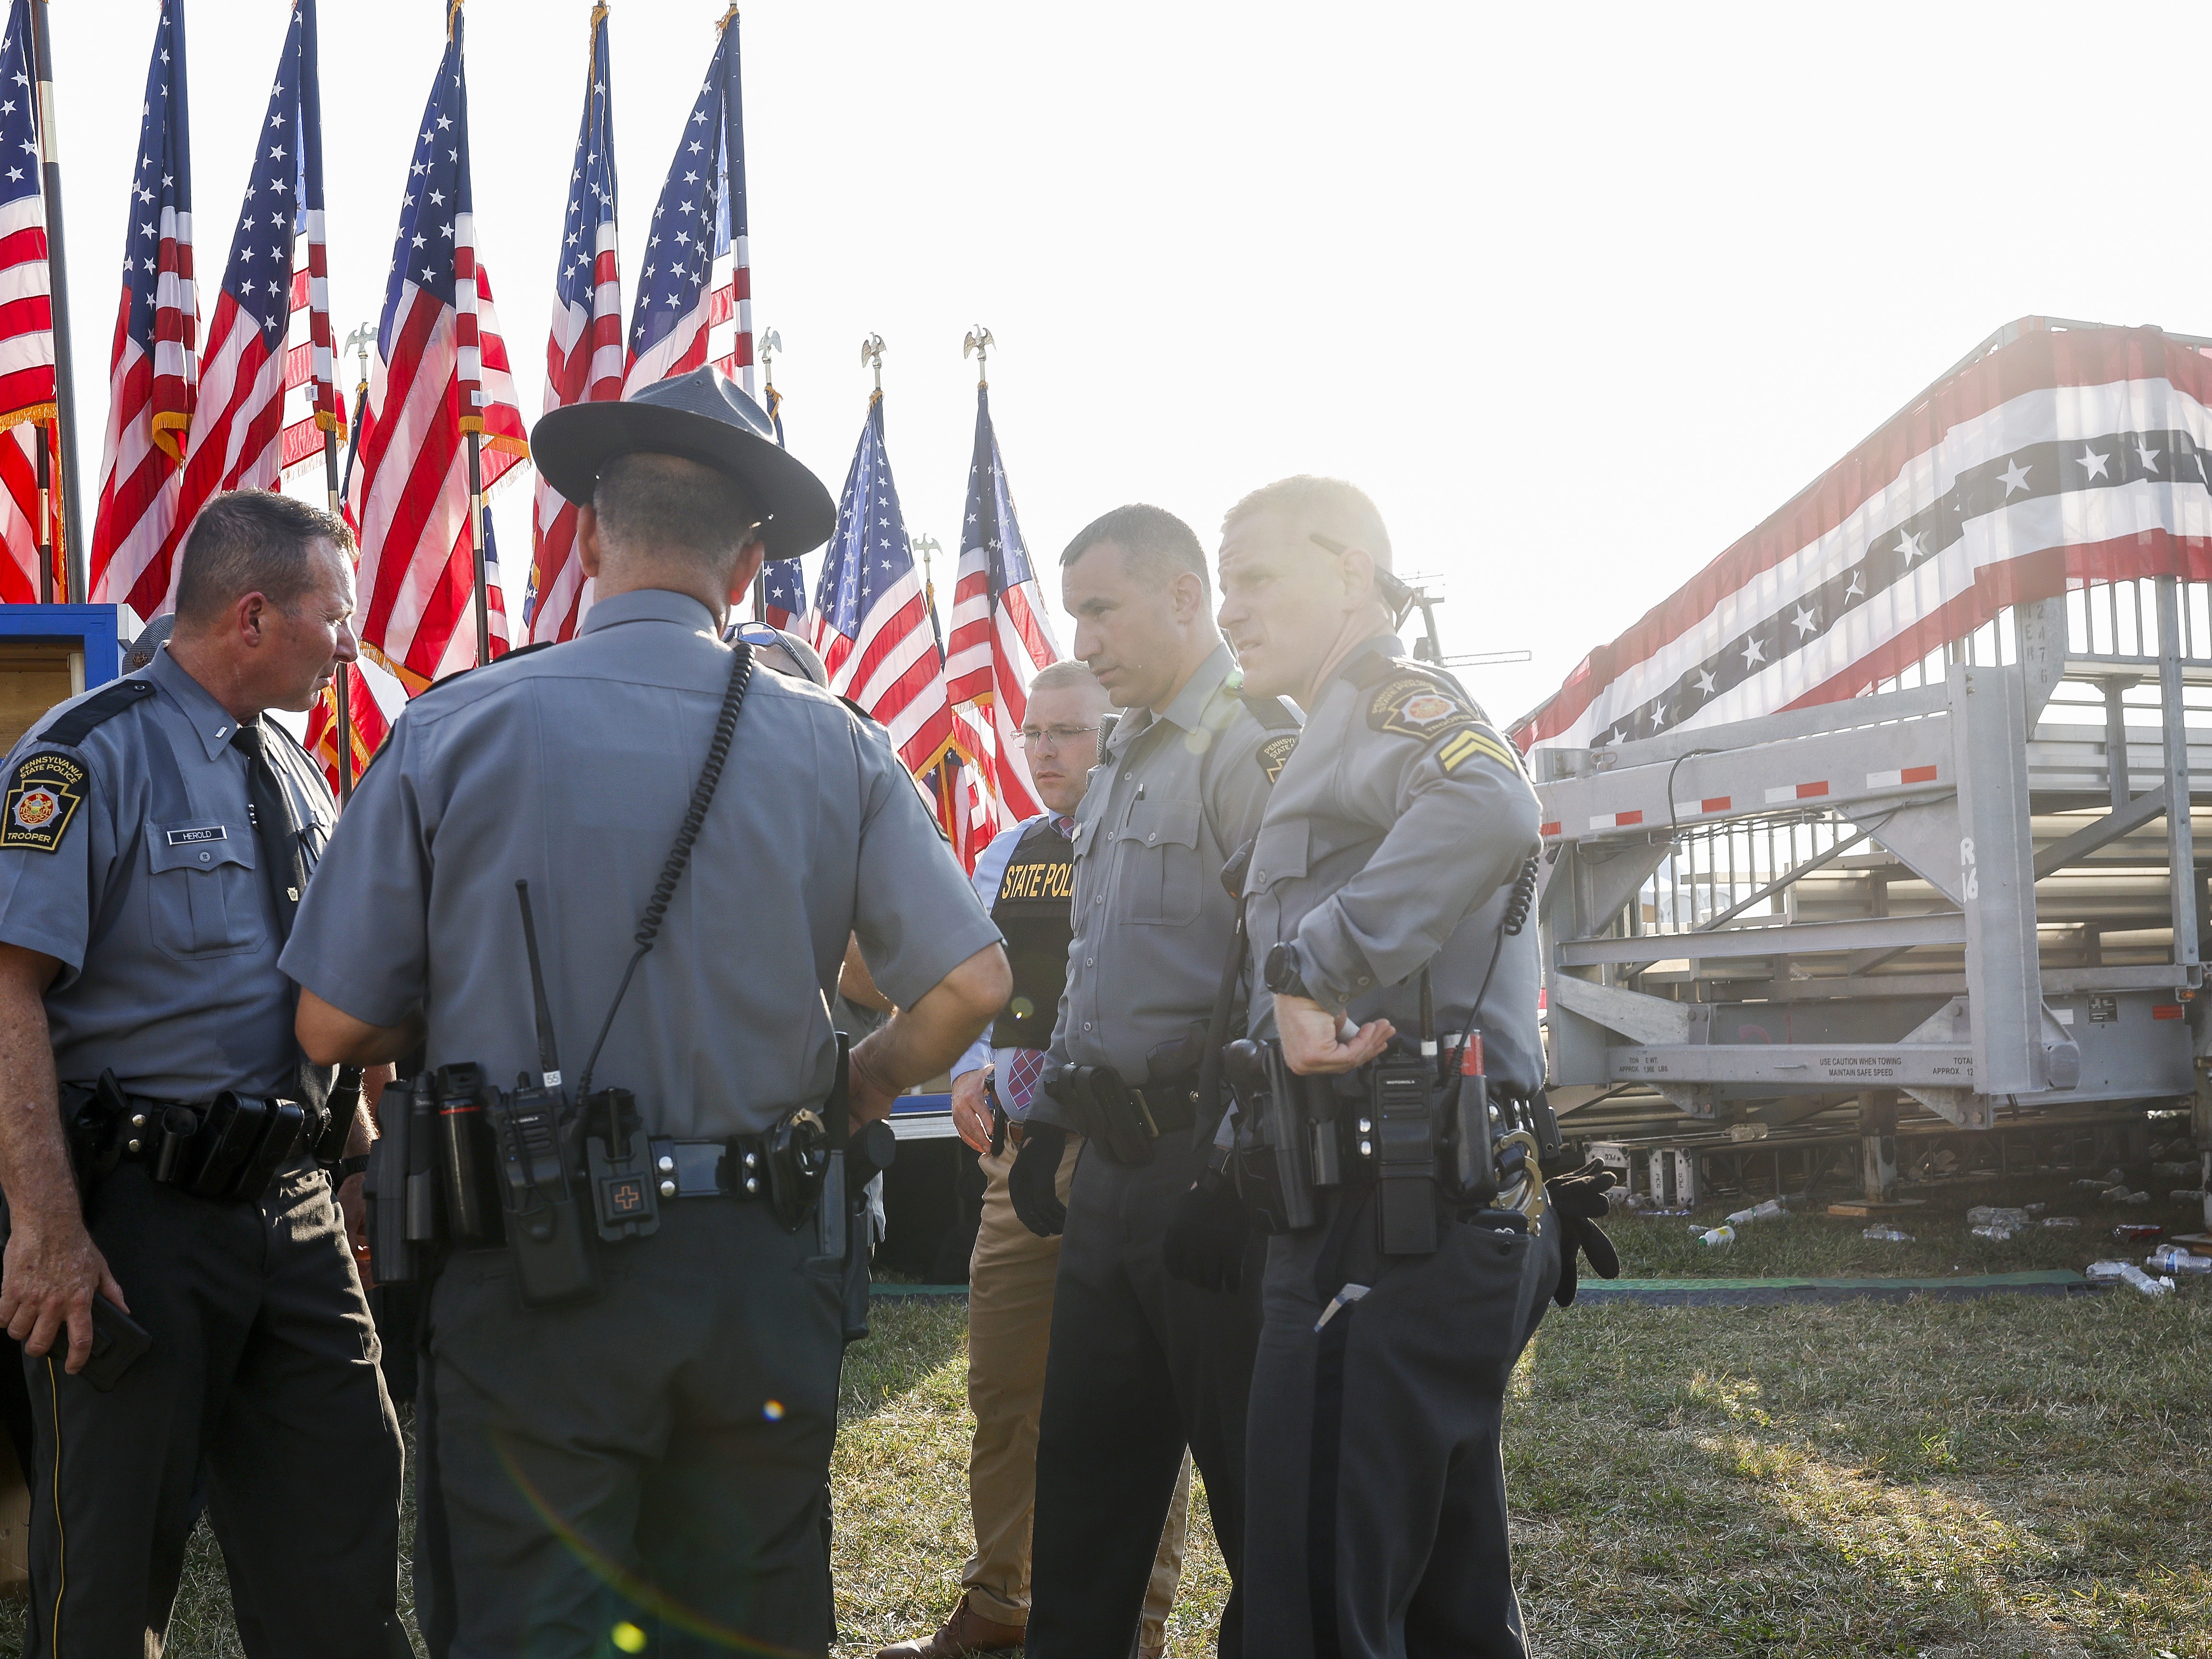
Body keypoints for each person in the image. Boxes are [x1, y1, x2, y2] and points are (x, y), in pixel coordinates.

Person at [280, 365, 1010, 1659]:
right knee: (748, 1620)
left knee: (533, 1622)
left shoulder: (456, 728)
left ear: (584, 534)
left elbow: (331, 1027)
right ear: (746, 562)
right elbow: (971, 986)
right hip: (763, 1264)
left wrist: (479, 988)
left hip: (540, 1265)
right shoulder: (835, 740)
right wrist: (857, 1082)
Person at [1205, 475, 1615, 1659]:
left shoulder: (1391, 699)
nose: (1234, 609)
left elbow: (1493, 803)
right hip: (1413, 1213)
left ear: (1350, 571)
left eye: (1256, 576)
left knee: (1320, 1606)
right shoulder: (1330, 726)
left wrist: (1312, 963)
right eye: (1227, 585)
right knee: (1446, 1607)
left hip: (1387, 1217)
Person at [0, 490, 405, 1656]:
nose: (350, 642)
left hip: (298, 1212)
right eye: (338, 616)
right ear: (253, 614)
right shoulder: (84, 754)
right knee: (109, 1580)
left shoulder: (295, 768)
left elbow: (297, 1000)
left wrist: (357, 1164)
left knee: (343, 1536)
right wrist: (46, 1232)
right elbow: (7, 988)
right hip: (137, 1228)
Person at [1020, 505, 1297, 1659]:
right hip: (1111, 1175)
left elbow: (1286, 977)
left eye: (1101, 607)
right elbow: (1096, 965)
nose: (1081, 636)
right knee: (1083, 1499)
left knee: (1259, 1509)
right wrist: (1045, 1126)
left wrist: (1234, 1168)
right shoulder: (1127, 744)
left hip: (1208, 1180)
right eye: (1073, 609)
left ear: (1186, 597)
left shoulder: (1251, 743)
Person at [881, 658, 1194, 1659]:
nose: (1046, 750)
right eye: (1033, 732)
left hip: (1131, 1156)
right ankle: (1000, 1601)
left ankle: (1134, 1631)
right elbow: (976, 981)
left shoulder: (1155, 845)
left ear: (1116, 734)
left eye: (1070, 731)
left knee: (1144, 1407)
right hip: (1019, 1165)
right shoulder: (1010, 851)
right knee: (1006, 1392)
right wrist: (971, 1068)